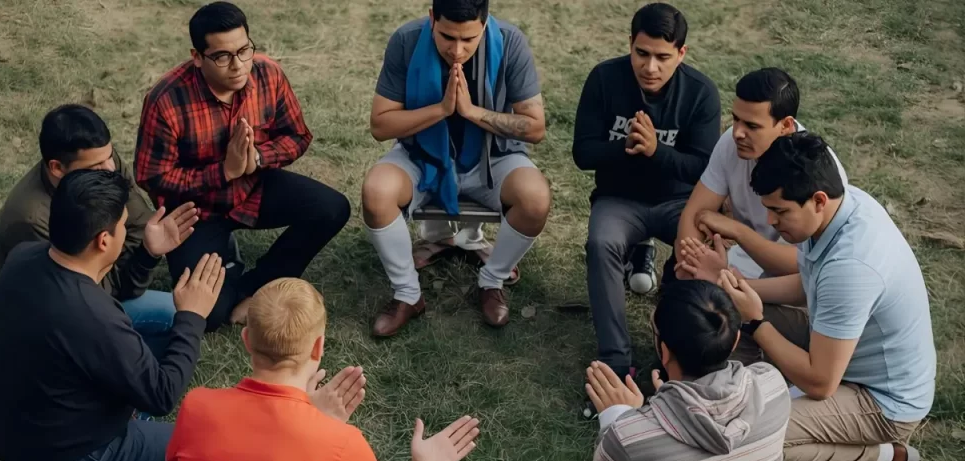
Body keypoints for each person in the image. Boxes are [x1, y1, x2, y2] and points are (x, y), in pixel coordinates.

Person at [0, 169, 225, 461]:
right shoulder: (91, 318)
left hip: (21, 433)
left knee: (150, 331)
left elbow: (99, 295)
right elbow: (162, 393)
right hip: (70, 455)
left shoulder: (25, 258)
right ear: (103, 240)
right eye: (121, 226)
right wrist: (192, 317)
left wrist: (148, 253)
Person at [166, 278, 481, 461]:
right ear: (318, 347)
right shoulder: (340, 444)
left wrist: (306, 419)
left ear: (247, 340)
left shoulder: (197, 405)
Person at [717, 132, 935, 461]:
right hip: (844, 354)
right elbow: (807, 284)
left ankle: (883, 456)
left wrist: (755, 320)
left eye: (779, 211)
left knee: (753, 436)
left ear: (818, 200)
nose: (770, 220)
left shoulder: (853, 265)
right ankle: (744, 399)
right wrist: (738, 291)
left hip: (883, 400)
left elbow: (820, 382)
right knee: (725, 318)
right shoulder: (843, 208)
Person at [520, 280, 793, 461]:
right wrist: (668, 403)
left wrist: (618, 419)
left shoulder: (631, 436)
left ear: (664, 351)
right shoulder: (773, 386)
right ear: (736, 340)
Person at [135, 1, 351, 332]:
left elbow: (298, 135)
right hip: (195, 212)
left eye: (244, 50)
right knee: (210, 316)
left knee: (332, 208)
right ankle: (226, 279)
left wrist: (259, 159)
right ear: (197, 57)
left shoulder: (268, 73)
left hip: (254, 188)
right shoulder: (166, 100)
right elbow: (152, 176)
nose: (238, 65)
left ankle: (258, 285)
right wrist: (223, 171)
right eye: (222, 56)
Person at [362, 0, 550, 336]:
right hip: (421, 154)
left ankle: (492, 281)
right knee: (377, 191)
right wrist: (442, 108)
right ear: (432, 17)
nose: (458, 50)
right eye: (448, 37)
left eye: (469, 39)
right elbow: (381, 125)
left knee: (535, 198)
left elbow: (535, 128)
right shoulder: (406, 40)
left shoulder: (510, 42)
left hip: (494, 157)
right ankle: (407, 293)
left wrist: (470, 111)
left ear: (486, 22)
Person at [574, 2, 721, 403]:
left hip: (679, 205)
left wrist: (656, 150)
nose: (650, 67)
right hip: (619, 200)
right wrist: (627, 146)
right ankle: (616, 362)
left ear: (682, 54)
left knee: (702, 250)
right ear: (630, 45)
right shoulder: (605, 78)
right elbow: (583, 153)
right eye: (642, 53)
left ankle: (682, 353)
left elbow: (702, 168)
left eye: (662, 57)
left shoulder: (701, 93)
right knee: (601, 244)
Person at [0, 104, 192, 353]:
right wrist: (136, 260)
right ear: (57, 167)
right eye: (97, 164)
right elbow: (86, 298)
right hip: (68, 315)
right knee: (177, 316)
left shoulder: (101, 162)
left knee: (182, 312)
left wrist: (133, 256)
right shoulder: (32, 220)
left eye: (110, 156)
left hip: (98, 282)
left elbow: (139, 224)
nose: (110, 169)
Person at [674, 68, 848, 281]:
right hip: (745, 260)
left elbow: (800, 263)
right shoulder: (732, 143)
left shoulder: (816, 170)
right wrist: (690, 261)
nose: (737, 132)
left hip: (798, 283)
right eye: (736, 119)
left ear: (785, 125)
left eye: (751, 126)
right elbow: (695, 212)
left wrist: (737, 232)